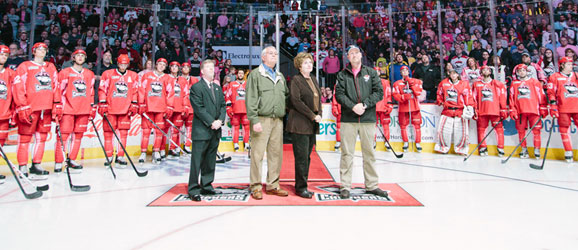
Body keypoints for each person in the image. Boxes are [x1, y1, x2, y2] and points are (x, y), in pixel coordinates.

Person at [334, 45, 387, 199]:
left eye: (357, 52)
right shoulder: (342, 75)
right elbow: (339, 94)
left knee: (369, 153)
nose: (355, 55)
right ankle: (345, 186)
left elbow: (379, 92)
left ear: (361, 55)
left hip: (367, 118)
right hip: (348, 119)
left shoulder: (371, 73)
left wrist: (364, 105)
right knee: (347, 154)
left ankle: (372, 185)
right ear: (348, 57)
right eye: (351, 53)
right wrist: (352, 107)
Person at [245, 46, 289, 200]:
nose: (274, 56)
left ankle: (273, 184)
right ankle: (256, 186)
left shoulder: (280, 75)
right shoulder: (256, 74)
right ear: (263, 57)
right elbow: (250, 98)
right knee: (257, 154)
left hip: (278, 120)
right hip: (261, 119)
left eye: (276, 54)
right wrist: (254, 119)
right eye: (271, 53)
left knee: (276, 154)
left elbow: (286, 97)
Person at [13, 42, 60, 179]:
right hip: (30, 107)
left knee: (42, 137)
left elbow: (55, 85)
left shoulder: (50, 67)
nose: (43, 51)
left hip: (45, 108)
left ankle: (36, 164)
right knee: (25, 138)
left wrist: (56, 103)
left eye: (45, 49)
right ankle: (22, 165)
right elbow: (18, 86)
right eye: (40, 49)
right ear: (33, 51)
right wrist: (22, 105)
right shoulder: (25, 66)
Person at [187, 59, 226, 202]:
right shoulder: (197, 87)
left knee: (210, 160)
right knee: (197, 161)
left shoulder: (217, 87)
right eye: (209, 68)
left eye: (213, 68)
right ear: (202, 71)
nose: (212, 70)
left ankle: (207, 185)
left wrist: (220, 121)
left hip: (215, 130)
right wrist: (211, 122)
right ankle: (193, 189)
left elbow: (222, 106)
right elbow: (199, 108)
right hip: (202, 130)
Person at [286, 52, 322, 199]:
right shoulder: (296, 80)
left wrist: (318, 114)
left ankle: (303, 184)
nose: (309, 64)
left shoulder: (313, 79)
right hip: (300, 123)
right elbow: (296, 101)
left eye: (310, 62)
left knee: (307, 157)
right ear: (299, 66)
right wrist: (312, 115)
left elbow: (317, 99)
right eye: (306, 62)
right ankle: (301, 187)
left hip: (311, 124)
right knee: (301, 157)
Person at [54, 49, 96, 172]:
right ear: (73, 58)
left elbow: (91, 92)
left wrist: (91, 106)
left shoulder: (89, 74)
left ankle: (72, 159)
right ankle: (58, 161)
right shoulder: (65, 72)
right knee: (63, 136)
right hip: (68, 109)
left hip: (83, 110)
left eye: (82, 56)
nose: (80, 57)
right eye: (78, 55)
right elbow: (59, 90)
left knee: (78, 136)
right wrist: (58, 106)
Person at [98, 54, 139, 168]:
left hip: (125, 110)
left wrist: (134, 103)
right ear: (117, 63)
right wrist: (102, 102)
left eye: (125, 64)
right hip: (110, 109)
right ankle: (108, 156)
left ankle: (120, 156)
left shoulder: (133, 75)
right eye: (121, 64)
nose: (123, 66)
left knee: (123, 134)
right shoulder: (108, 74)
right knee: (108, 134)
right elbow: (102, 89)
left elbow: (135, 91)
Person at [138, 58, 174, 164]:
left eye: (164, 65)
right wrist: (142, 103)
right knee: (145, 131)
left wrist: (169, 107)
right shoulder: (147, 76)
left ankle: (156, 151)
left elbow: (170, 93)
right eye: (160, 64)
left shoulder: (167, 78)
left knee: (159, 132)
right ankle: (143, 152)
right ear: (156, 65)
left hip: (160, 108)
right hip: (148, 107)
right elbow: (141, 90)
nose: (162, 66)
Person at [509, 64, 548, 159]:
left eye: (523, 70)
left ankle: (537, 149)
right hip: (520, 111)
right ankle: (523, 149)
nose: (522, 72)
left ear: (527, 71)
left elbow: (541, 95)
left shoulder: (535, 82)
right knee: (521, 131)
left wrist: (543, 107)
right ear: (517, 73)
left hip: (534, 110)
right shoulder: (514, 83)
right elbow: (511, 98)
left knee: (536, 131)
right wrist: (512, 109)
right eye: (519, 71)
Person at [434, 69, 473, 155]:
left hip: (460, 110)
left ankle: (461, 149)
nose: (453, 75)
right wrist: (440, 101)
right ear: (449, 74)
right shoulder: (443, 83)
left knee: (461, 132)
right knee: (443, 130)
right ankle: (443, 148)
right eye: (451, 73)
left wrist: (470, 106)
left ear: (458, 75)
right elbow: (439, 94)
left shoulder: (464, 84)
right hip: (447, 110)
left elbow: (468, 96)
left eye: (455, 74)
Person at [547, 57, 578, 162]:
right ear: (562, 65)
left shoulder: (577, 75)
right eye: (568, 64)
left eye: (571, 64)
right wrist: (553, 106)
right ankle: (568, 151)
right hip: (563, 108)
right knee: (564, 130)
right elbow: (551, 93)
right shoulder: (554, 77)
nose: (571, 66)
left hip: (577, 107)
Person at [472, 66, 508, 157]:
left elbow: (502, 97)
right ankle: (483, 147)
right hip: (482, 111)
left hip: (495, 111)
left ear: (490, 71)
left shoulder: (497, 84)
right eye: (483, 70)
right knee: (481, 130)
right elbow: (473, 98)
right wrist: (475, 109)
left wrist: (503, 108)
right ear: (481, 72)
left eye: (487, 70)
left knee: (499, 130)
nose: (485, 71)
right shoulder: (476, 84)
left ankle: (500, 148)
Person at [392, 66, 424, 152]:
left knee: (417, 125)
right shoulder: (397, 83)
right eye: (403, 70)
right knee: (403, 125)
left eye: (406, 70)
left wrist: (412, 85)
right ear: (400, 73)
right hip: (403, 107)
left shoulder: (416, 81)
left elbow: (419, 92)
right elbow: (395, 95)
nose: (405, 72)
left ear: (409, 72)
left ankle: (417, 143)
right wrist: (403, 97)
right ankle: (405, 142)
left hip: (414, 107)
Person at [0, 45, 15, 183]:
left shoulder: (10, 73)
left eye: (5, 55)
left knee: (1, 143)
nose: (3, 57)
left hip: (4, 114)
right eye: (1, 54)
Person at [226, 69, 250, 152]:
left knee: (246, 126)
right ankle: (235, 143)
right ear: (237, 75)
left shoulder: (248, 84)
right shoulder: (231, 84)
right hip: (235, 109)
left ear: (244, 75)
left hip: (245, 109)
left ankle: (246, 143)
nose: (240, 74)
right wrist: (229, 108)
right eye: (239, 73)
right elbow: (227, 96)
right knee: (235, 126)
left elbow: (251, 97)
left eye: (242, 73)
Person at [166, 61, 185, 157]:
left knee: (176, 129)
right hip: (168, 107)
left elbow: (185, 94)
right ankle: (160, 150)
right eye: (172, 66)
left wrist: (185, 106)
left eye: (176, 67)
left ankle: (173, 148)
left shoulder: (182, 80)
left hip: (178, 107)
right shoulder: (166, 77)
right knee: (164, 129)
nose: (174, 68)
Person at [180, 62, 198, 154]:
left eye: (188, 67)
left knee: (189, 127)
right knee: (177, 128)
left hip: (191, 107)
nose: (186, 69)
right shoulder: (177, 79)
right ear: (181, 69)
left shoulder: (194, 80)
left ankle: (187, 145)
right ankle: (175, 147)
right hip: (180, 106)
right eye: (184, 67)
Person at [374, 67, 392, 150]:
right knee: (372, 125)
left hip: (383, 106)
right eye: (375, 71)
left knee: (386, 124)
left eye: (378, 71)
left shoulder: (385, 82)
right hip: (373, 107)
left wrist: (389, 105)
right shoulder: (368, 82)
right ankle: (373, 141)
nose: (377, 72)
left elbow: (388, 94)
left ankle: (387, 141)